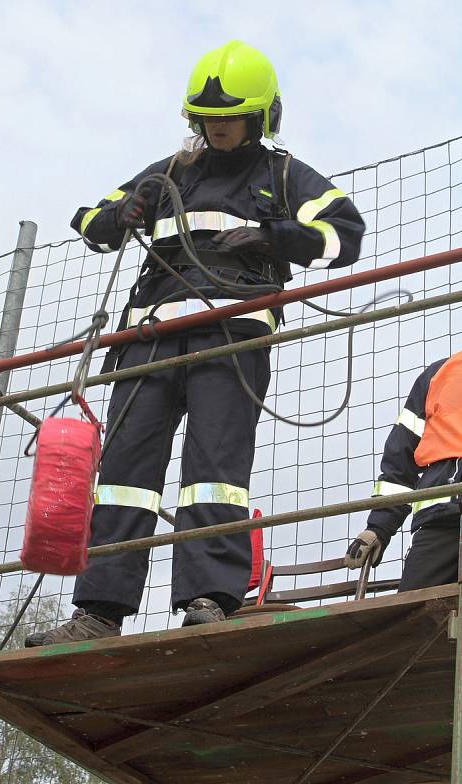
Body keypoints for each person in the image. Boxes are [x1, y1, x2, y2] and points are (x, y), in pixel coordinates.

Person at [25, 39, 365, 647]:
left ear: (261, 116)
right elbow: (87, 222)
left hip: (231, 339)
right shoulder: (169, 173)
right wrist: (125, 210)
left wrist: (272, 238)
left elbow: (345, 233)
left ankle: (209, 598)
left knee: (215, 470)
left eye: (230, 117)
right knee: (125, 472)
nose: (218, 128)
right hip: (148, 338)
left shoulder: (283, 175)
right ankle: (100, 609)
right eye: (207, 119)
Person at [344, 351, 462, 590]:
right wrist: (378, 527)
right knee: (412, 615)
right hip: (438, 521)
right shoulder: (439, 374)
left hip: (438, 518)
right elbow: (400, 463)